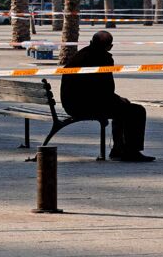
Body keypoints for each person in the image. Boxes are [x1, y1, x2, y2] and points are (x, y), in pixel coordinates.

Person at [59, 31, 154, 162]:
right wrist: (119, 99)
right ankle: (130, 151)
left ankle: (119, 149)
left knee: (122, 108)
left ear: (91, 42)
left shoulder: (81, 54)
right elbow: (105, 90)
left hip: (71, 104)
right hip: (86, 105)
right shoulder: (103, 58)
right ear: (110, 46)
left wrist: (117, 100)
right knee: (136, 110)